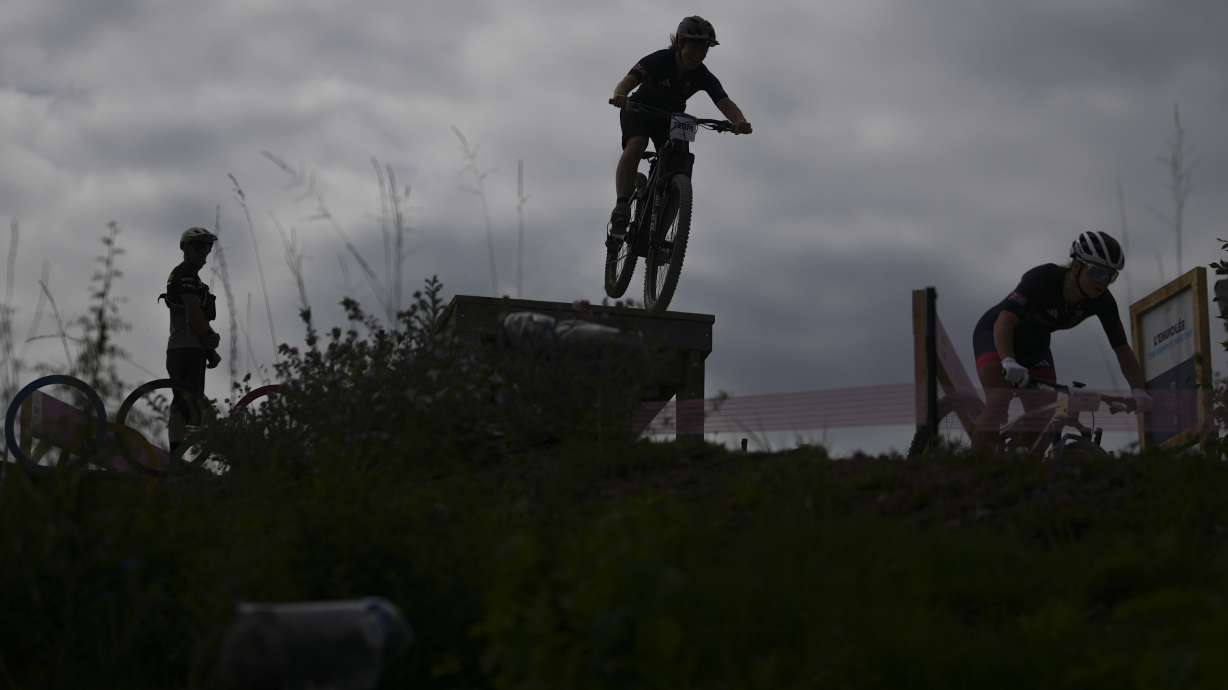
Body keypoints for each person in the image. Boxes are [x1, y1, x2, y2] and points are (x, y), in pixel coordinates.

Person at [970, 230, 1154, 453]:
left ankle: (1016, 471)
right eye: (1098, 273)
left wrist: (1138, 389)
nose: (1103, 282)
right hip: (996, 334)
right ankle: (976, 469)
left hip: (1035, 346)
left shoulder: (1102, 301)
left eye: (1110, 276)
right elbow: (1005, 320)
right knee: (999, 400)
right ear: (1077, 266)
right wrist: (1008, 360)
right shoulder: (1043, 278)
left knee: (1046, 416)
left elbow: (1122, 349)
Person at [608, 15, 752, 241]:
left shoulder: (703, 75)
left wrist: (739, 121)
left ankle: (661, 233)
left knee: (681, 164)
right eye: (695, 45)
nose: (700, 53)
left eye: (705, 48)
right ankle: (622, 206)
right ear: (680, 43)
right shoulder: (660, 59)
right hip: (639, 109)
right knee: (637, 143)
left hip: (672, 118)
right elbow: (629, 80)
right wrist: (620, 95)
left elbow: (723, 101)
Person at [159, 226, 222, 455]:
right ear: (185, 248)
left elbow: (198, 317)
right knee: (185, 406)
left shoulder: (195, 281)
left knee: (191, 409)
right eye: (198, 246)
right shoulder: (184, 274)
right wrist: (209, 338)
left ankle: (181, 457)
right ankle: (177, 458)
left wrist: (208, 350)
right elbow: (193, 313)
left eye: (207, 247)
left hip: (190, 348)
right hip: (184, 349)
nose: (203, 251)